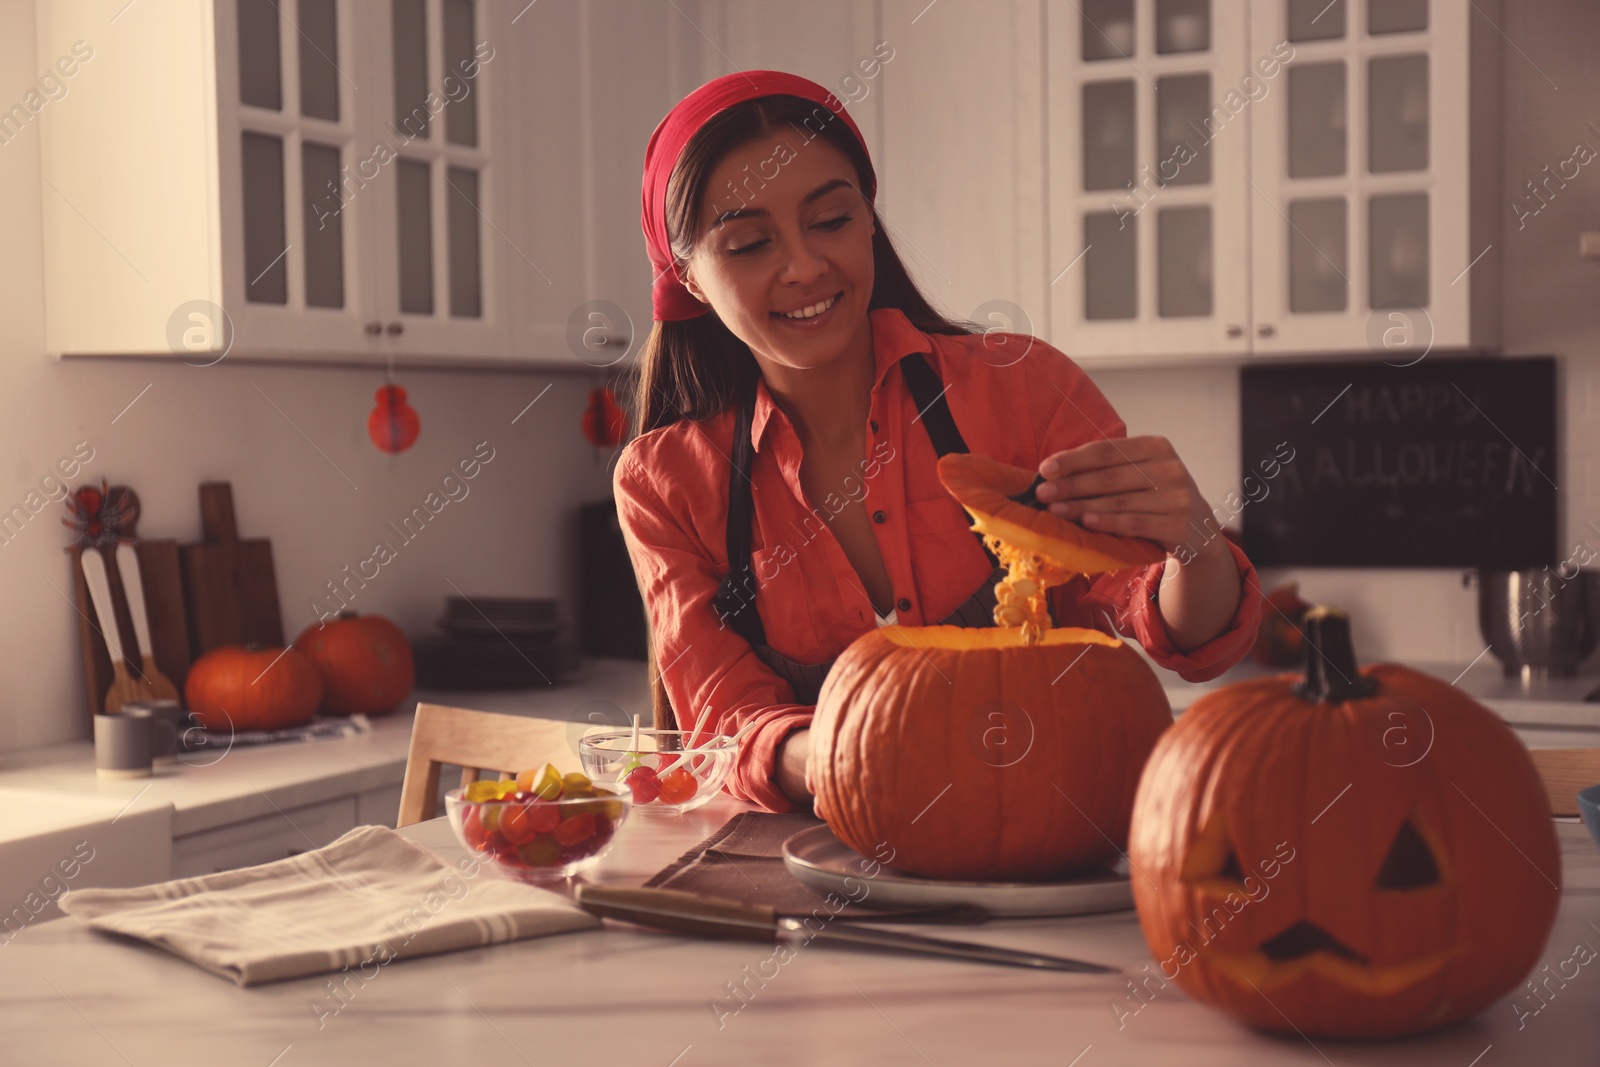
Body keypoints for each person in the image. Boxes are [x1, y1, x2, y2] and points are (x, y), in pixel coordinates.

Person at [614, 70, 1261, 813]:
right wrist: (869, 759)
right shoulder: (664, 481)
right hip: (821, 865)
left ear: (868, 220)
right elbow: (727, 724)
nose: (803, 266)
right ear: (688, 278)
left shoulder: (1019, 387)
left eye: (831, 220)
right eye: (751, 243)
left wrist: (1196, 546)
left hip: (1059, 833)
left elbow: (1169, 622)